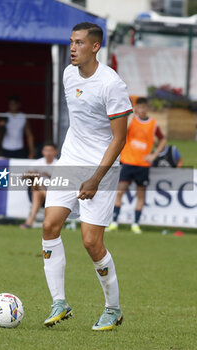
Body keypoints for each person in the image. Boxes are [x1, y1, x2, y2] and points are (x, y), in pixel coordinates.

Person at [42, 22, 133, 331]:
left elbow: (119, 139)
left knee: (91, 242)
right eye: (71, 42)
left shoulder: (112, 84)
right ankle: (59, 302)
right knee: (49, 225)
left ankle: (113, 309)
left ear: (95, 47)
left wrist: (95, 178)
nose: (72, 48)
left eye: (79, 43)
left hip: (101, 169)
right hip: (70, 162)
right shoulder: (68, 74)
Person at [107, 97, 167, 234]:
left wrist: (154, 155)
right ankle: (114, 222)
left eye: (144, 107)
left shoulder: (153, 124)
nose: (141, 110)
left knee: (140, 195)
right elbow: (120, 133)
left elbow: (163, 140)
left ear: (147, 108)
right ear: (136, 108)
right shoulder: (131, 121)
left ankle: (135, 224)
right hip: (128, 161)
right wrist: (130, 116)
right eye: (139, 107)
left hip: (143, 164)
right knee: (120, 192)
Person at [20, 142, 58, 229]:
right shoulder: (37, 163)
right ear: (43, 152)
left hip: (54, 194)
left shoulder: (59, 164)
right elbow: (23, 178)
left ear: (55, 152)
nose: (48, 153)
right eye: (46, 150)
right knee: (35, 179)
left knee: (38, 189)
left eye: (50, 150)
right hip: (41, 195)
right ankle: (47, 198)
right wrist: (32, 173)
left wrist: (49, 176)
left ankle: (29, 221)